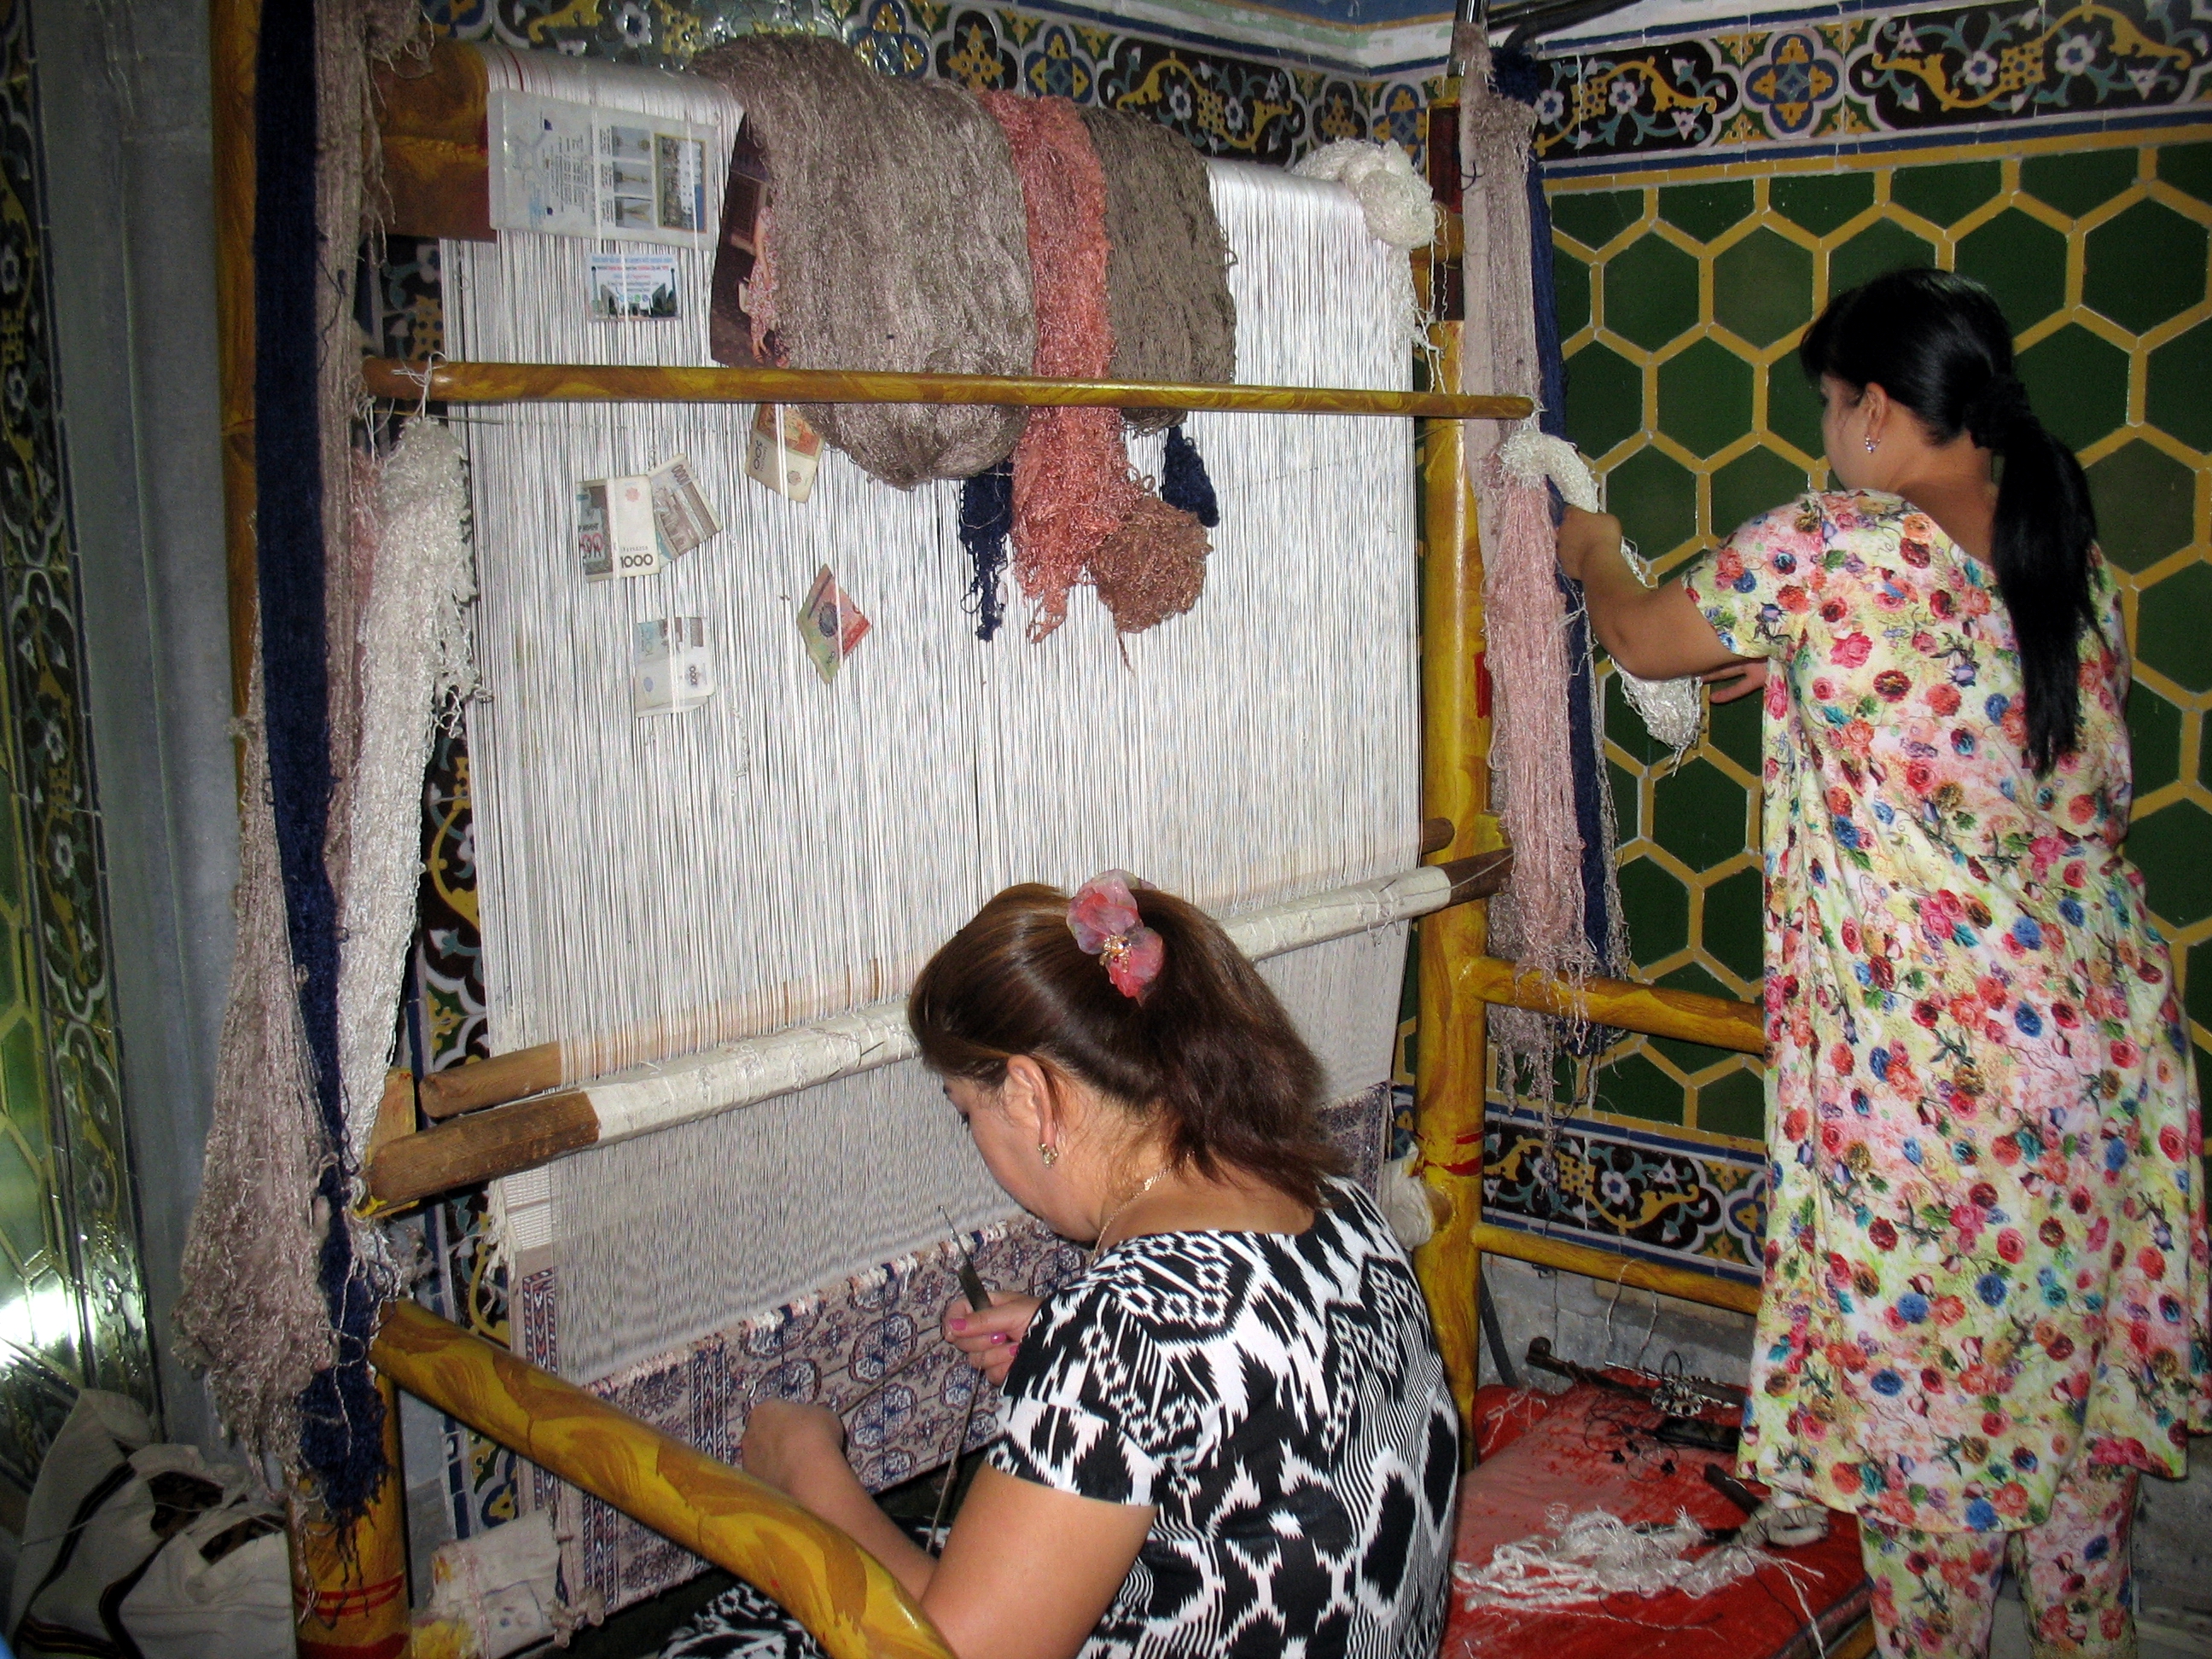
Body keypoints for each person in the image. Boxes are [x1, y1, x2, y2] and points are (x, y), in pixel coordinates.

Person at [1556, 266, 2208, 1658]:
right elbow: (1972, 740)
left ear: (1869, 407)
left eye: (1828, 404)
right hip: (2101, 1088)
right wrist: (1791, 670)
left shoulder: (1836, 545)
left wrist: (1591, 549)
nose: (1827, 433)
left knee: (1936, 1504)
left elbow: (1640, 634)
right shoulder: (2064, 558)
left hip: (1942, 1115)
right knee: (2073, 1486)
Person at [670, 870, 1459, 1659]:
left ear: (1028, 1095)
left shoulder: (1126, 1332)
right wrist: (1068, 1359)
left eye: (966, 1115)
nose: (977, 1145)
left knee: (735, 1628)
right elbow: (1250, 1399)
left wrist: (805, 1473)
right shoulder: (1334, 1202)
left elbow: (953, 1656)